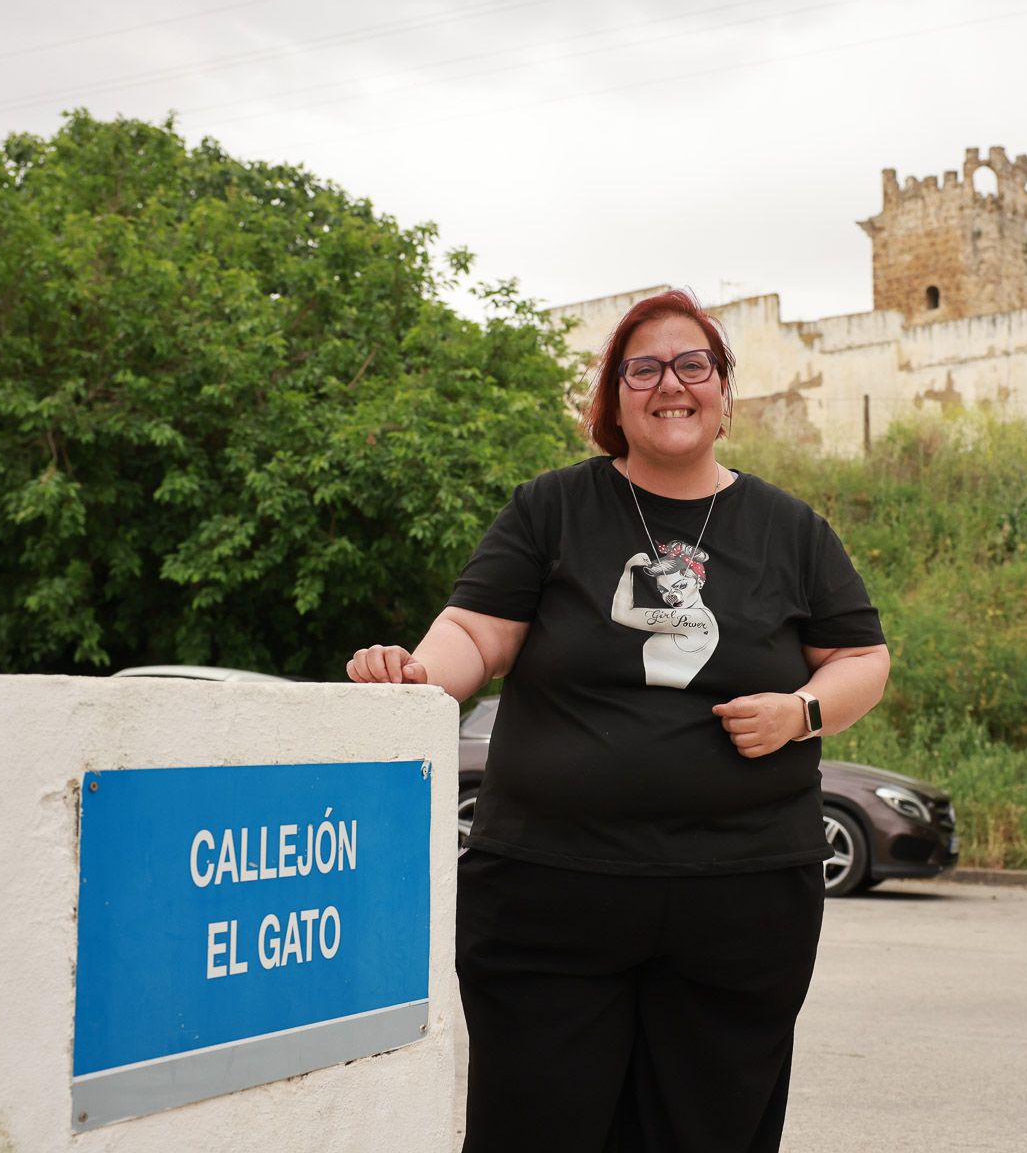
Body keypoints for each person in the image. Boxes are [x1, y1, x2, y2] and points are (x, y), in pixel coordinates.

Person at [347, 288, 890, 1152]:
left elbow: (863, 658)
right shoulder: (552, 509)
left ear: (723, 394)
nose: (670, 383)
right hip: (550, 897)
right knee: (534, 1126)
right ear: (613, 398)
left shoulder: (791, 530)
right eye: (643, 368)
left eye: (692, 364)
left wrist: (801, 711)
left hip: (740, 902)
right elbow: (476, 633)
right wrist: (420, 677)